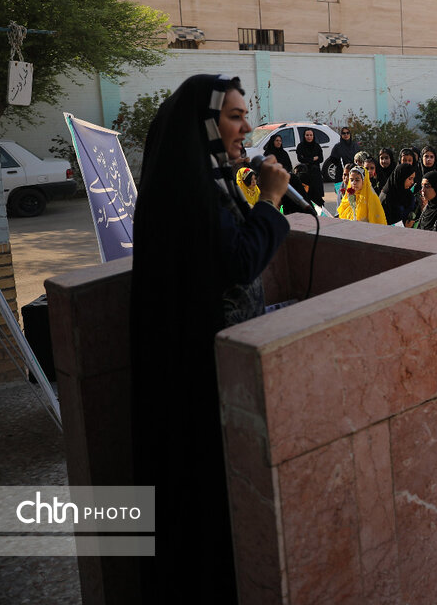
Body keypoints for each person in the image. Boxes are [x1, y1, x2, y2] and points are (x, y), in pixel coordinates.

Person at [130, 75, 290, 599]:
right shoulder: (191, 193)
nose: (246, 128)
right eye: (234, 116)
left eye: (245, 115)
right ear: (203, 123)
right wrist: (270, 201)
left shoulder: (203, 180)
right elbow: (240, 260)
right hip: (198, 373)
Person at [295, 128, 325, 207]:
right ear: (304, 136)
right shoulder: (301, 146)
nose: (309, 137)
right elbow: (300, 159)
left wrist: (307, 159)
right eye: (307, 135)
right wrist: (313, 159)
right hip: (305, 174)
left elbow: (321, 159)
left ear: (313, 136)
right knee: (306, 196)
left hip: (316, 175)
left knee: (317, 197)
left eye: (311, 135)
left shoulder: (317, 146)